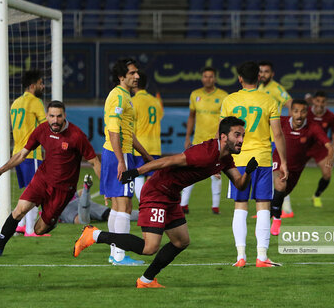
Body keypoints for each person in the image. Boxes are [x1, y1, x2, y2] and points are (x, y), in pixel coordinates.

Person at [74, 117, 258, 288]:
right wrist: (136, 172)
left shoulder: (225, 159)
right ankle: (94, 235)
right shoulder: (205, 153)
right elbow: (168, 161)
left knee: (181, 241)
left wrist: (248, 172)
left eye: (242, 135)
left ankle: (146, 280)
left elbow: (240, 185)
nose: (241, 139)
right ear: (224, 137)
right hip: (157, 192)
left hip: (170, 196)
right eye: (237, 135)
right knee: (149, 247)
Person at [0, 100, 101, 257]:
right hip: (42, 180)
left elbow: (94, 162)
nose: (55, 120)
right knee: (19, 210)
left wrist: (106, 188)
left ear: (64, 116)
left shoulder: (77, 136)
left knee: (38, 230)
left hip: (62, 189)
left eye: (59, 116)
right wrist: (0, 171)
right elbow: (21, 154)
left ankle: (52, 219)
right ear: (47, 116)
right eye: (51, 116)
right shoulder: (41, 130)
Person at [220, 61, 288, 268]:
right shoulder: (269, 100)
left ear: (240, 78)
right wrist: (283, 162)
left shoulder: (229, 101)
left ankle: (241, 257)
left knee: (240, 206)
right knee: (263, 206)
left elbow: (221, 135)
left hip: (237, 160)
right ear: (258, 77)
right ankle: (262, 257)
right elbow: (277, 133)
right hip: (262, 159)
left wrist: (218, 159)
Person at [101, 58, 153, 265]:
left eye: (137, 73)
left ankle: (115, 254)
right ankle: (120, 255)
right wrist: (121, 161)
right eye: (132, 73)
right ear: (121, 77)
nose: (137, 76)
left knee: (117, 206)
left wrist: (147, 157)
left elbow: (127, 133)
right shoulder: (119, 97)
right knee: (125, 206)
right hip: (118, 155)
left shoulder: (123, 96)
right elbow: (114, 130)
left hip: (118, 154)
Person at [270, 100, 334, 235]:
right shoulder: (281, 121)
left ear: (307, 112)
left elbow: (329, 145)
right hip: (279, 162)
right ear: (291, 112)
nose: (299, 115)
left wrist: (329, 157)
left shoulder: (313, 127)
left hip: (296, 169)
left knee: (280, 195)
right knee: (280, 184)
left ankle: (270, 212)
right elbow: (263, 122)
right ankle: (276, 219)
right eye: (296, 111)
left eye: (303, 111)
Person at [182, 67, 228, 214]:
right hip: (198, 140)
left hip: (215, 140)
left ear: (215, 78)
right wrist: (188, 136)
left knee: (216, 173)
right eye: (205, 76)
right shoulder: (195, 95)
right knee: (190, 171)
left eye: (211, 76)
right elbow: (191, 117)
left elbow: (225, 120)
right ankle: (183, 205)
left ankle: (215, 206)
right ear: (202, 78)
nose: (208, 79)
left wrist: (222, 139)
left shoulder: (223, 96)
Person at [11, 70, 48, 237]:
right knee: (35, 192)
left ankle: (20, 224)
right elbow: (46, 126)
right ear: (33, 86)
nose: (43, 86)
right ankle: (31, 230)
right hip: (31, 154)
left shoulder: (15, 103)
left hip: (17, 153)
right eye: (40, 83)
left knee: (28, 190)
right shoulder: (35, 102)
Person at [131, 71, 164, 202]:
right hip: (155, 146)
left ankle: (143, 204)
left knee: (138, 176)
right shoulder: (155, 101)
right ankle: (152, 203)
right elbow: (160, 116)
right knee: (152, 178)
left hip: (140, 146)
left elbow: (130, 127)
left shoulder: (133, 102)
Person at [305, 90, 334, 208]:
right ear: (314, 101)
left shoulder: (331, 116)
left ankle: (317, 195)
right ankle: (283, 200)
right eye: (318, 101)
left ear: (326, 103)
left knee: (327, 174)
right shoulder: (306, 112)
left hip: (321, 148)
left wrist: (333, 148)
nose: (320, 103)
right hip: (304, 146)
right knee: (289, 171)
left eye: (323, 101)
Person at [59, 174, 139, 224]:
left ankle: (86, 192)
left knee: (82, 221)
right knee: (110, 214)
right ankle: (86, 191)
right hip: (73, 202)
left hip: (63, 207)